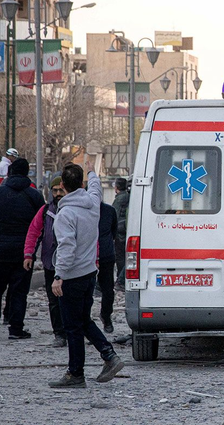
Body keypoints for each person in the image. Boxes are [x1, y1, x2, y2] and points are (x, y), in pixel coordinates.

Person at [49, 162, 124, 388]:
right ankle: (108, 355)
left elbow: (66, 247)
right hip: (90, 272)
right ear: (80, 183)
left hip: (71, 276)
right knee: (83, 319)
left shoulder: (65, 214)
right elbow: (96, 187)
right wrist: (92, 171)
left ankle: (76, 373)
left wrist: (58, 275)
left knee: (72, 326)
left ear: (62, 186)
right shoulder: (92, 203)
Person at [0, 158, 45, 340]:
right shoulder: (35, 196)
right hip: (24, 253)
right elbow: (44, 223)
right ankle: (16, 329)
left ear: (9, 172)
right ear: (27, 173)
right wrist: (38, 246)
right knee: (19, 291)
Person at [23, 176, 67, 347]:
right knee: (54, 301)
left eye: (60, 190)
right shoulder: (45, 211)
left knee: (72, 300)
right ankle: (59, 334)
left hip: (72, 265)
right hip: (51, 264)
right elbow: (33, 233)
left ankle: (74, 331)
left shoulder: (76, 210)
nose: (57, 194)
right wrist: (28, 254)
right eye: (54, 191)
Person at [97, 200, 118, 333]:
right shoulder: (81, 208)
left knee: (108, 291)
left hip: (106, 256)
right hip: (85, 257)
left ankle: (106, 316)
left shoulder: (109, 211)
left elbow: (113, 232)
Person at [111, 178, 129, 289]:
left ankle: (120, 279)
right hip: (126, 229)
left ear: (116, 187)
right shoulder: (128, 196)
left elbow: (114, 215)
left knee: (120, 256)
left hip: (120, 230)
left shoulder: (119, 199)